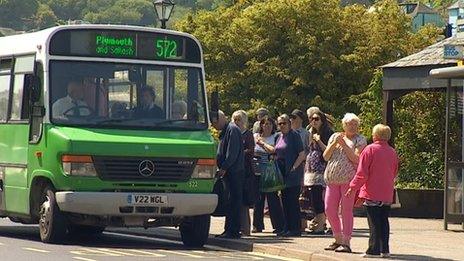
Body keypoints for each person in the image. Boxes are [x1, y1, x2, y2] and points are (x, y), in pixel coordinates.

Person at [346, 124, 399, 258]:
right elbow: (395, 171)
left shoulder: (369, 150)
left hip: (372, 192)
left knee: (374, 222)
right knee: (384, 221)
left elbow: (362, 173)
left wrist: (352, 187)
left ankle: (373, 249)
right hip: (386, 192)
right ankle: (385, 249)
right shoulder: (392, 152)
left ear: (375, 136)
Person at [323, 113, 367, 253]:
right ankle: (337, 238)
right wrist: (335, 143)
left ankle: (346, 242)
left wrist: (343, 144)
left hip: (349, 180)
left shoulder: (360, 139)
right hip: (332, 178)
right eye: (350, 124)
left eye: (355, 124)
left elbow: (356, 159)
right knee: (329, 209)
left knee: (346, 210)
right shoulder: (335, 136)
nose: (353, 127)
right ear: (344, 125)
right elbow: (326, 156)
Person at [213, 110, 245, 239]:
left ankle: (233, 230)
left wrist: (224, 167)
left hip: (234, 172)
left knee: (234, 201)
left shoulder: (232, 130)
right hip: (229, 172)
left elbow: (232, 152)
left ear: (221, 119)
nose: (214, 126)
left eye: (215, 123)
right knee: (230, 201)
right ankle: (229, 229)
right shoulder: (227, 130)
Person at [300, 111, 333, 234]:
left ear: (322, 120)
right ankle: (318, 222)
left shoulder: (328, 133)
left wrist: (319, 140)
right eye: (312, 119)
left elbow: (328, 152)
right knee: (313, 197)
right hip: (311, 169)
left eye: (317, 119)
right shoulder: (311, 132)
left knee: (319, 198)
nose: (313, 121)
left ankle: (321, 224)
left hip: (321, 169)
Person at [275, 114, 306, 237]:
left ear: (289, 123)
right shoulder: (278, 136)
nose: (282, 125)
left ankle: (295, 229)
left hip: (292, 172)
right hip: (281, 172)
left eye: (284, 123)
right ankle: (286, 227)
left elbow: (302, 154)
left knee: (292, 202)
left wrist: (294, 167)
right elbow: (276, 151)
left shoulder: (294, 136)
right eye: (280, 123)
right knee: (284, 201)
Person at [252, 117, 285, 234]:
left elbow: (273, 150)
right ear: (261, 125)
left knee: (273, 199)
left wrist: (261, 143)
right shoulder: (255, 136)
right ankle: (257, 225)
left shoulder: (276, 136)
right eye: (265, 124)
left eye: (270, 124)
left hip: (270, 171)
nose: (268, 126)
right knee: (258, 199)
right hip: (257, 170)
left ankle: (278, 226)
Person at [231, 110, 255, 236]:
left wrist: (239, 153)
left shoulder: (248, 134)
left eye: (239, 119)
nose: (236, 122)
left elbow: (251, 150)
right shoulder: (232, 133)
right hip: (234, 170)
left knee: (244, 202)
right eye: (234, 119)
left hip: (245, 171)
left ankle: (246, 229)